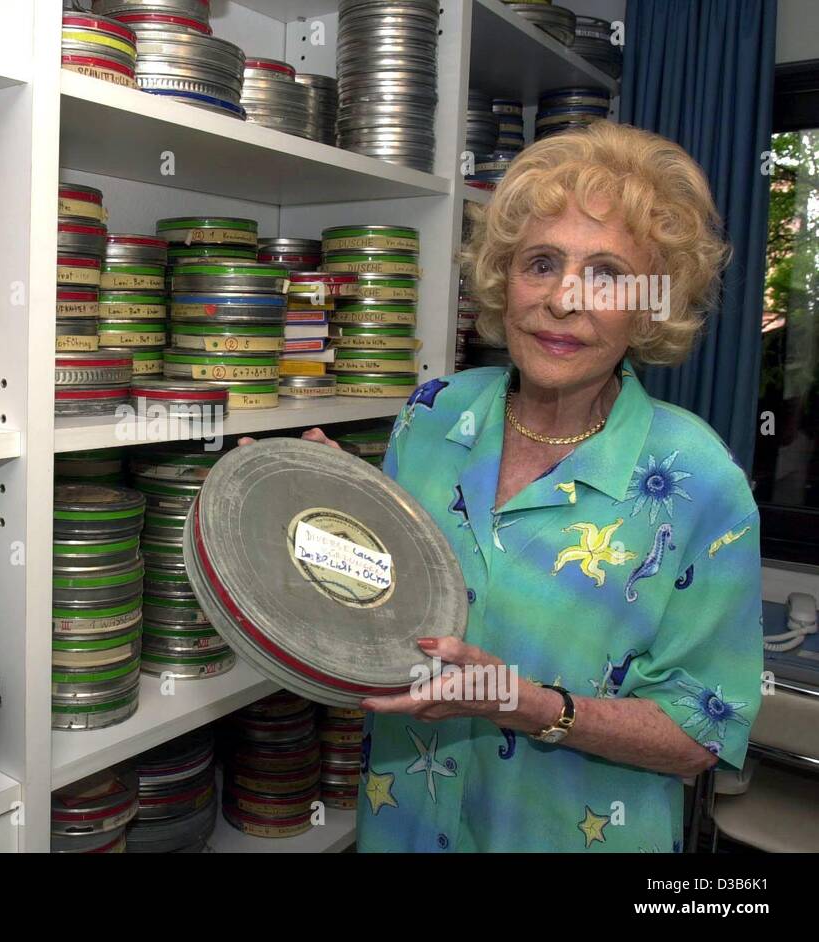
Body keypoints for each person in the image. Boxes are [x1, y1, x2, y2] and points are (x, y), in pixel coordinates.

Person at [281, 122, 761, 851]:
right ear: (505, 280)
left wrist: (523, 703)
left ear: (648, 308)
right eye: (542, 263)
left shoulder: (700, 482)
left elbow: (701, 733)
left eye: (605, 275)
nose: (563, 301)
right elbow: (383, 604)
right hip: (403, 820)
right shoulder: (432, 414)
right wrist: (325, 506)